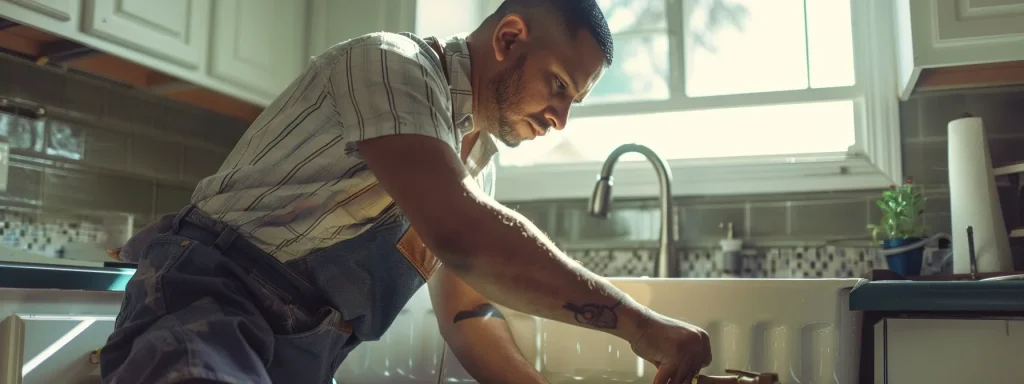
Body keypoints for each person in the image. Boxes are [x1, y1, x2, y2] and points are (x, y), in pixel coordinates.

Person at [99, 0, 712, 383]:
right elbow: (463, 234)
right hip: (203, 304)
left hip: (296, 357)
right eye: (556, 85)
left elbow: (468, 313)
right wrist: (640, 326)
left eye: (572, 101)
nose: (559, 119)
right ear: (509, 39)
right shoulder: (389, 67)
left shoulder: (472, 160)